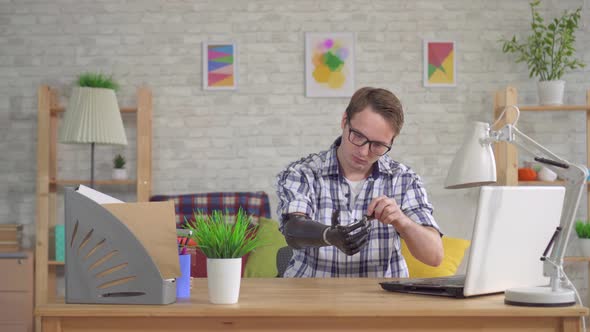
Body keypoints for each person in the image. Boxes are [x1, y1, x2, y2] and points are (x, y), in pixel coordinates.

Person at [276, 87, 443, 278]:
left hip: (382, 302)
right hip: (312, 297)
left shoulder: (404, 179)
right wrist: (329, 235)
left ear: (392, 141)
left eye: (378, 145)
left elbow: (435, 256)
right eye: (358, 136)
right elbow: (293, 231)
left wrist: (401, 221)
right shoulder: (303, 173)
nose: (364, 152)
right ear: (344, 121)